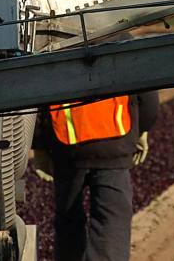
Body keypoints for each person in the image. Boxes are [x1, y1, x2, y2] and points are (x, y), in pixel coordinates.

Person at [33, 92, 159, 261]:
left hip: (67, 146)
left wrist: (39, 146)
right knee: (112, 220)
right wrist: (142, 129)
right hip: (115, 142)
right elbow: (146, 88)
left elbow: (33, 92)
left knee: (68, 222)